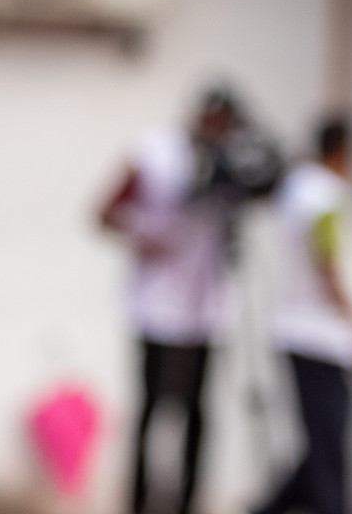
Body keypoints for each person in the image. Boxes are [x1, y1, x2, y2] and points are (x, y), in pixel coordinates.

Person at [98, 88, 247, 514]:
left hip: (208, 308)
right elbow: (104, 211)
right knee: (151, 410)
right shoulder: (155, 151)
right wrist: (147, 237)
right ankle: (139, 501)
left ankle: (188, 502)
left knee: (199, 413)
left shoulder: (233, 161)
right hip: (157, 308)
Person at [256, 118, 352, 514]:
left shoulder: (296, 190)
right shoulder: (326, 196)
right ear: (343, 153)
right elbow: (330, 266)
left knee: (323, 442)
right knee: (329, 447)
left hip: (304, 333)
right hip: (324, 338)